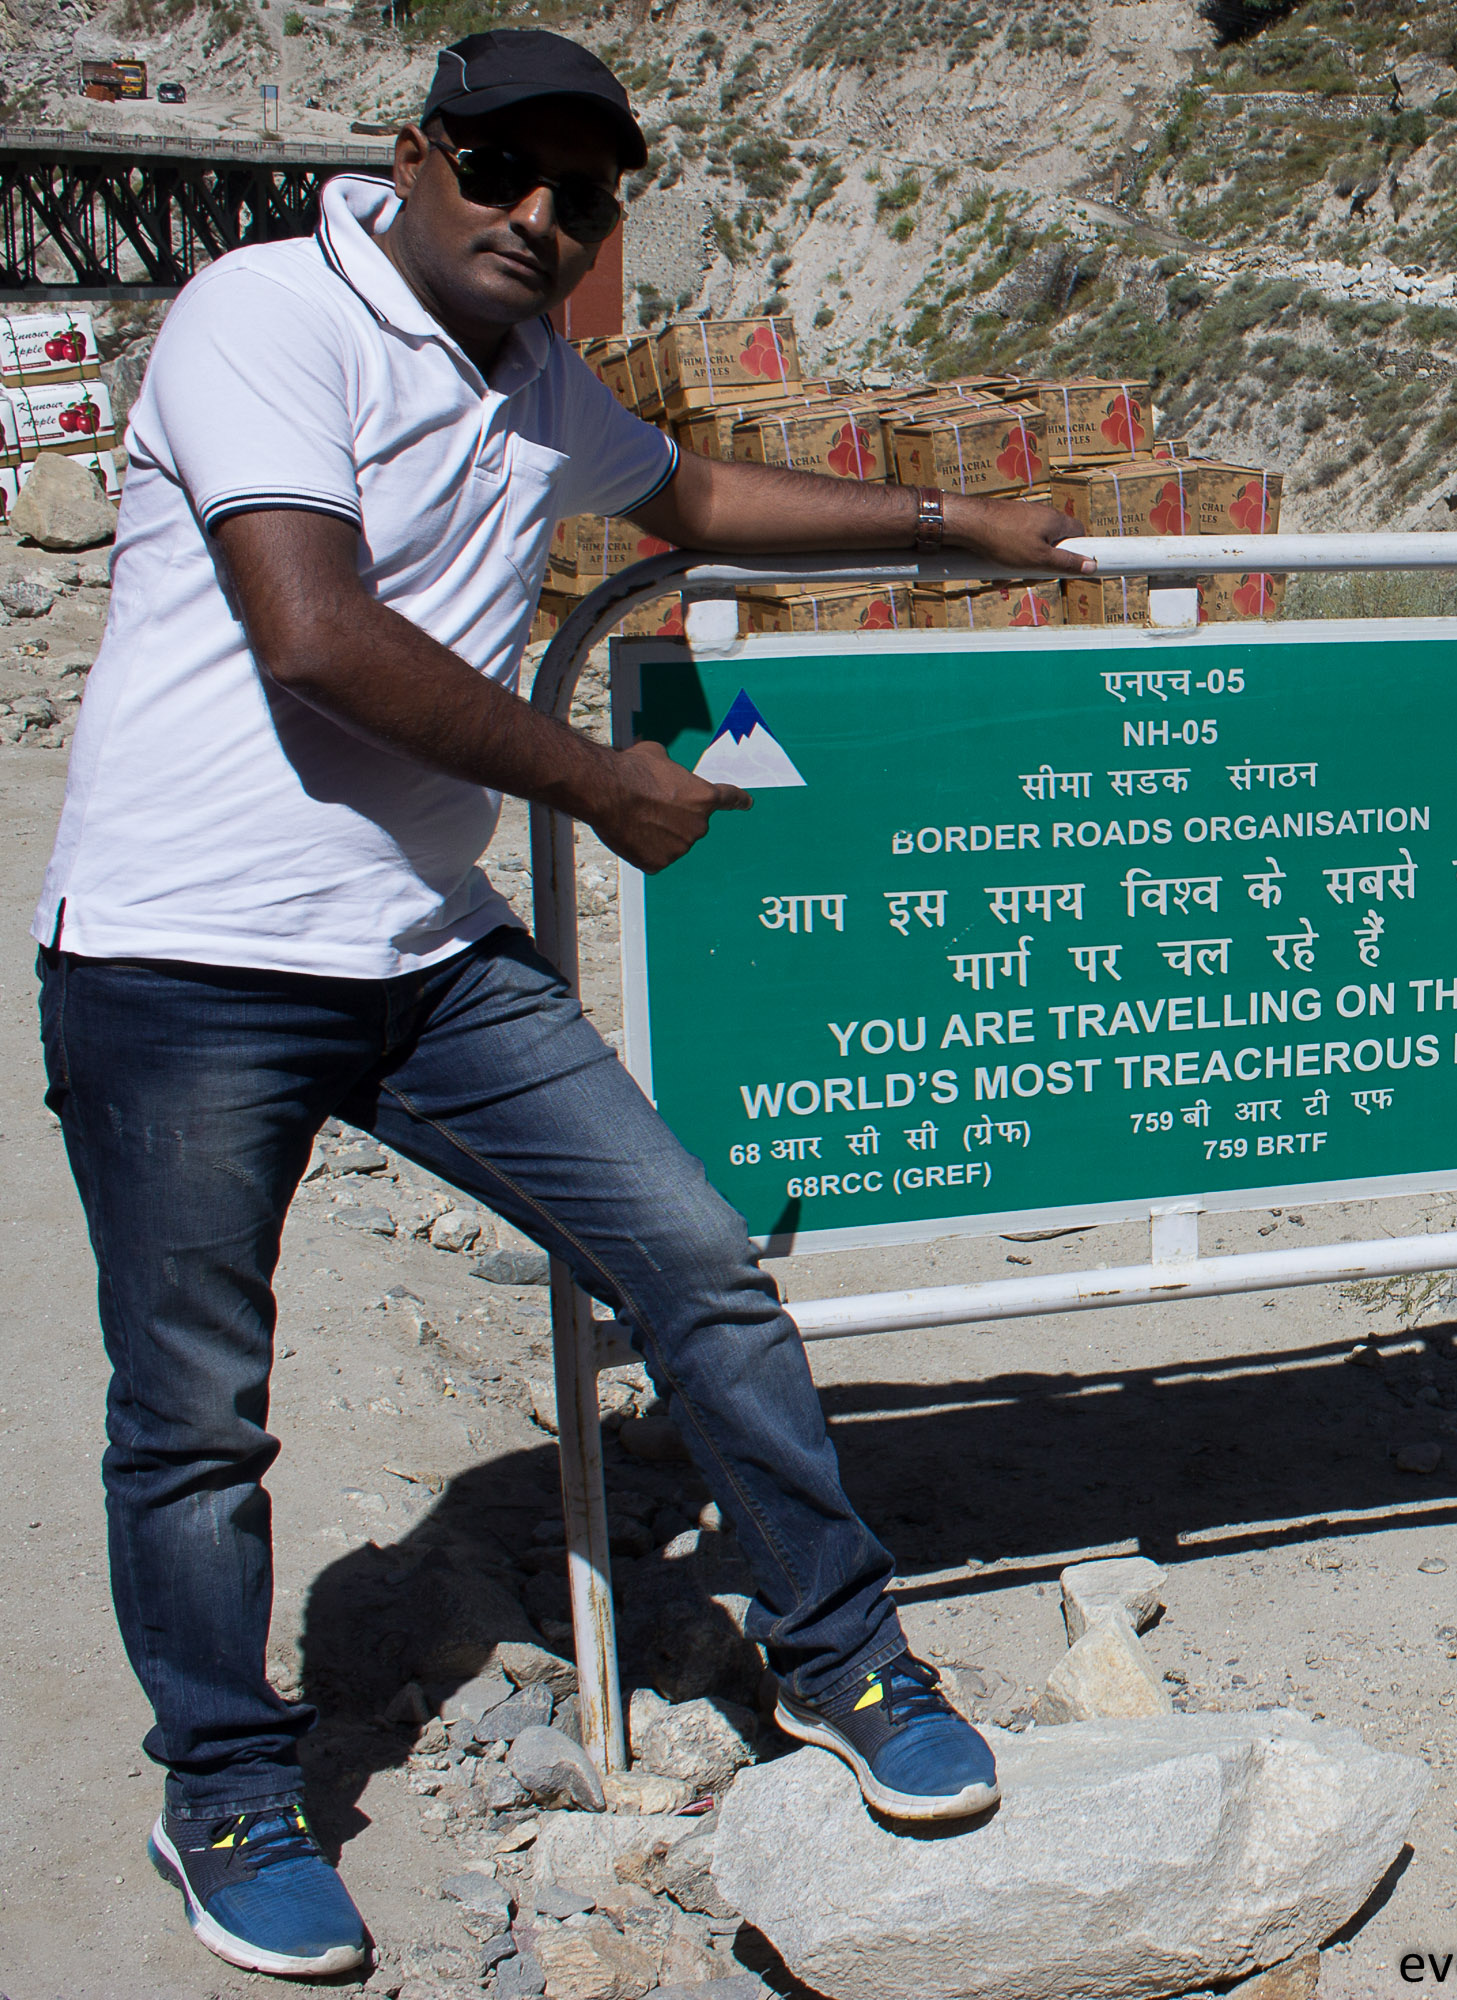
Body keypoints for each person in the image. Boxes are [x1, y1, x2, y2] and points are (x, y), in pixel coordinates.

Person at [34, 29, 1089, 1981]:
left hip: (422, 956)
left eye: (582, 199)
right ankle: (230, 1791)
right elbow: (313, 631)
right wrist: (599, 782)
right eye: (506, 172)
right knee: (194, 1419)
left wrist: (958, 531)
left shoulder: (533, 379)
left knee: (697, 1263)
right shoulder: (267, 314)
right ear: (414, 156)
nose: (540, 218)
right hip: (184, 965)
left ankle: (840, 1657)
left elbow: (691, 489)